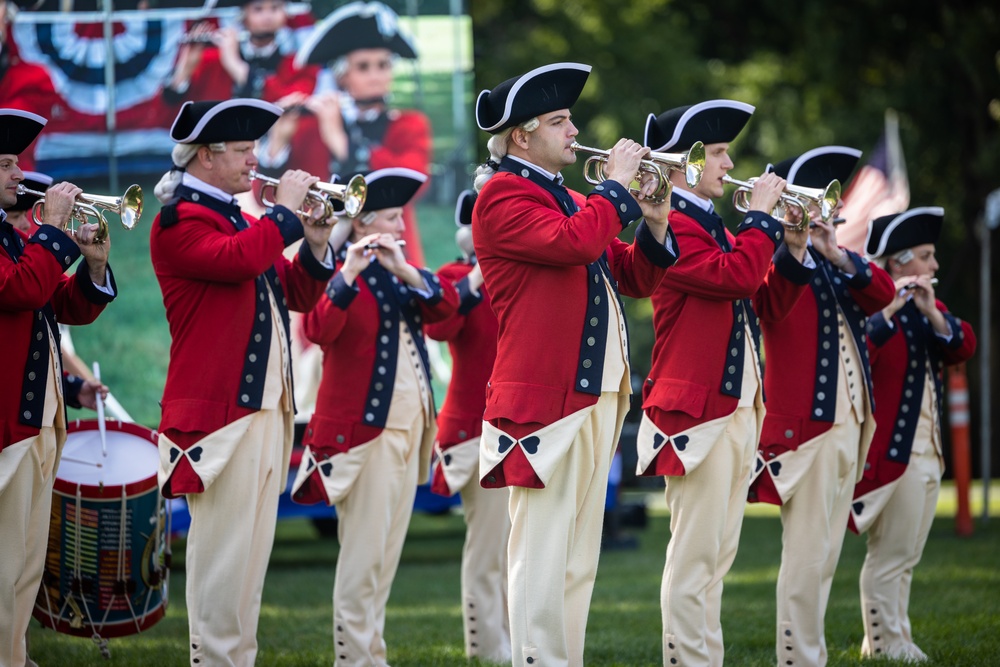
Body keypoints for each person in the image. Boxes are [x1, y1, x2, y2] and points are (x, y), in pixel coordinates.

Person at [473, 62, 678, 667]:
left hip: (591, 394)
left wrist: (657, 221)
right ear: (520, 136)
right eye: (560, 121)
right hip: (545, 401)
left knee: (577, 558)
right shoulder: (503, 195)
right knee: (541, 555)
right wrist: (616, 189)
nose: (574, 130)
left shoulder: (562, 196)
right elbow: (576, 243)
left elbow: (632, 275)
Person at [150, 98, 336, 667]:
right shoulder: (179, 219)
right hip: (220, 414)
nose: (257, 160)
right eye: (245, 150)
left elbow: (299, 295)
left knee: (250, 561)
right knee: (223, 559)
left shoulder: (242, 221)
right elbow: (235, 262)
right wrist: (283, 215)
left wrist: (317, 239)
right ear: (206, 155)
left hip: (262, 408)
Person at [635, 100, 815, 667]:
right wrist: (762, 220)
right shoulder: (674, 225)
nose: (729, 162)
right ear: (684, 163)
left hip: (735, 406)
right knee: (694, 559)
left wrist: (793, 245)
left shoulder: (711, 225)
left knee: (717, 557)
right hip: (697, 412)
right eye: (716, 152)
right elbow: (736, 276)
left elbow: (767, 302)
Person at [289, 167, 458, 667]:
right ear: (361, 224)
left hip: (412, 429)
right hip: (366, 435)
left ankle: (369, 654)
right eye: (391, 218)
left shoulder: (398, 268)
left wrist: (406, 270)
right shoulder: (334, 269)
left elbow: (446, 313)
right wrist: (348, 274)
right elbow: (318, 330)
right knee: (364, 557)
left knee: (385, 556)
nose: (403, 227)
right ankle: (354, 658)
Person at [747, 146, 896, 667]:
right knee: (808, 555)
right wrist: (796, 244)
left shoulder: (836, 262)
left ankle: (808, 653)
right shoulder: (775, 261)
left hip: (848, 424)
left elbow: (883, 295)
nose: (825, 210)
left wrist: (835, 252)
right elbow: (773, 305)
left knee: (827, 552)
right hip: (805, 429)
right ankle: (798, 657)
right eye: (815, 200)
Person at [0, 108, 116, 667]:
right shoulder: (18, 244)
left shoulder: (16, 240)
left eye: (14, 162)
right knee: (3, 569)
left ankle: (15, 655)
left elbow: (55, 306)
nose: (16, 174)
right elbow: (22, 291)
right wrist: (52, 230)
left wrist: (92, 267)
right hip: (7, 428)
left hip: (38, 421)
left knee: (24, 567)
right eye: (3, 165)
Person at [850, 207, 976, 661]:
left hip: (928, 450)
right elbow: (862, 350)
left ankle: (888, 637)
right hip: (893, 453)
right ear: (900, 262)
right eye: (926, 256)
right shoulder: (875, 307)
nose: (935, 266)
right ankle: (886, 643)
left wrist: (929, 311)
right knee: (890, 556)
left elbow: (963, 344)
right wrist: (893, 304)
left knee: (907, 557)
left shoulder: (930, 307)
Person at [259, 0, 431, 265]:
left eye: (383, 65)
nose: (376, 75)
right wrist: (278, 143)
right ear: (341, 76)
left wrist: (342, 143)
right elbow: (268, 192)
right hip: (326, 262)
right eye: (363, 67)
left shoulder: (408, 124)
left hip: (393, 256)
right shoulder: (311, 127)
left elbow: (414, 182)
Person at [424, 189, 511, 663]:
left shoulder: (519, 274)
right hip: (475, 428)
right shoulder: (456, 276)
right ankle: (487, 646)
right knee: (488, 547)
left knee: (521, 544)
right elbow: (438, 327)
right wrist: (478, 276)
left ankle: (519, 639)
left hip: (522, 425)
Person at [162, 0, 316, 105]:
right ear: (243, 16)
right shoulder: (213, 59)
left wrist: (235, 64)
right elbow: (172, 103)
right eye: (258, 9)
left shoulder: (298, 63)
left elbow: (286, 99)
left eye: (275, 8)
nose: (267, 16)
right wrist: (186, 67)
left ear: (285, 14)